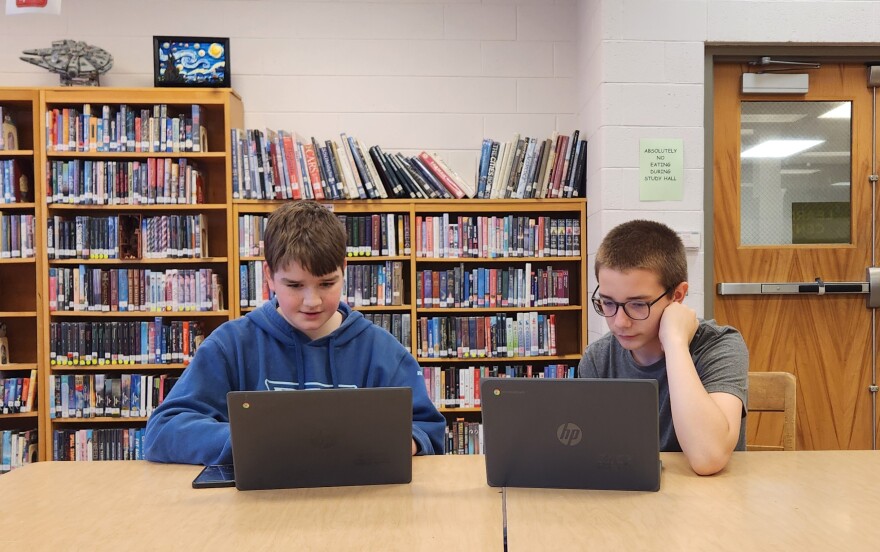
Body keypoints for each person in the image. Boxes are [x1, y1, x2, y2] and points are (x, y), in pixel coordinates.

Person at [145, 201, 446, 464]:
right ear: (269, 276)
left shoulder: (382, 351)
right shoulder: (231, 345)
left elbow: (427, 429)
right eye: (294, 285)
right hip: (258, 505)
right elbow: (163, 431)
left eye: (326, 283)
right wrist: (253, 440)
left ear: (344, 269)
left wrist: (399, 442)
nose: (312, 301)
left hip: (357, 501)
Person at [579, 220, 747, 475]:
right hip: (633, 493)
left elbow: (708, 457)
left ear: (677, 295)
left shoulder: (720, 346)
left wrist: (675, 342)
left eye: (638, 305)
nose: (619, 322)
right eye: (608, 303)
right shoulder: (598, 358)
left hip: (712, 496)